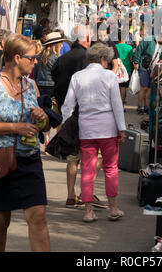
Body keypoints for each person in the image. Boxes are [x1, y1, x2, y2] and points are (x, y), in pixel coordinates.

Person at [0, 34, 50, 252]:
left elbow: (43, 126)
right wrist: (15, 128)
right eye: (32, 58)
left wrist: (42, 119)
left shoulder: (31, 85)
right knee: (1, 218)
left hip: (29, 159)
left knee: (38, 216)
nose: (35, 62)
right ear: (17, 58)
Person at [61, 43, 126, 223]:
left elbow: (67, 106)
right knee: (111, 169)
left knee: (87, 170)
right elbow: (117, 105)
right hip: (108, 128)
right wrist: (122, 129)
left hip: (86, 129)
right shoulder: (109, 76)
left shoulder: (77, 77)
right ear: (103, 59)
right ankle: (113, 209)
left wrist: (67, 125)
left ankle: (88, 212)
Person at [51, 25, 105, 209]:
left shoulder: (62, 58)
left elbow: (54, 76)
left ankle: (70, 194)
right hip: (87, 112)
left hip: (68, 113)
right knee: (94, 157)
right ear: (87, 39)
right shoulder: (88, 60)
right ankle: (85, 191)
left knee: (72, 157)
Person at [33, 32, 65, 146]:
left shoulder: (38, 57)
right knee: (57, 115)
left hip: (40, 88)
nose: (62, 46)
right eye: (60, 44)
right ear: (56, 45)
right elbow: (58, 76)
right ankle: (58, 142)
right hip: (52, 89)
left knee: (44, 115)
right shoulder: (57, 59)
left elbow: (35, 75)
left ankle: (46, 139)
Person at [133, 31, 162, 115]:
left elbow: (161, 56)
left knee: (148, 89)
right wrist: (136, 62)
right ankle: (139, 107)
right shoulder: (149, 39)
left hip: (153, 69)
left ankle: (146, 107)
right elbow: (139, 50)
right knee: (143, 88)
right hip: (143, 66)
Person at [116, 30, 134, 105]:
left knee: (117, 88)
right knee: (123, 87)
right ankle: (121, 104)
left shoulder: (115, 46)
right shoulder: (129, 47)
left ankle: (117, 103)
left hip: (116, 69)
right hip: (126, 70)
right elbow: (131, 59)